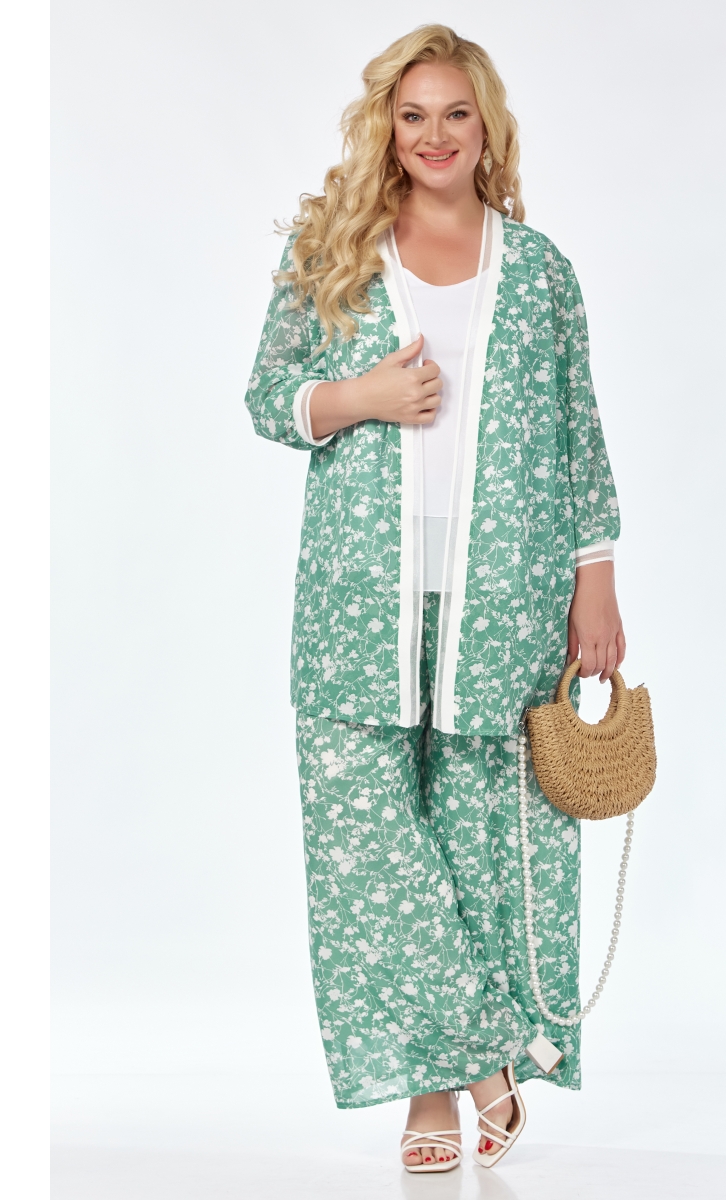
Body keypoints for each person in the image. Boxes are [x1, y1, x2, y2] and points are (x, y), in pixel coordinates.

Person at [245, 23, 625, 1173]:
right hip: (356, 598)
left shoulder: (541, 271)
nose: (434, 135)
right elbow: (267, 397)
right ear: (388, 128)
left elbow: (579, 439)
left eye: (455, 113)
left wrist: (596, 582)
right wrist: (359, 396)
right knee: (369, 849)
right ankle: (474, 1064)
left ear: (486, 126)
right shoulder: (335, 249)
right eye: (413, 116)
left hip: (503, 602)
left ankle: (441, 1091)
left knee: (476, 844)